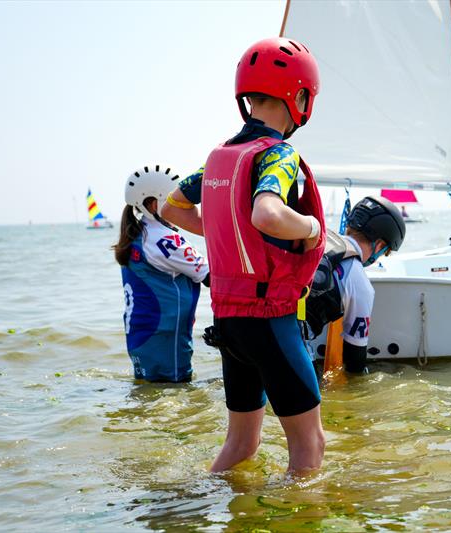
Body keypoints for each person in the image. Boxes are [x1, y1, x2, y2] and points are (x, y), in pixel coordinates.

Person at [160, 37, 326, 475]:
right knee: (310, 448)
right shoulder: (278, 154)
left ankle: (206, 507)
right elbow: (267, 214)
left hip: (229, 324)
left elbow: (169, 206)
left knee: (241, 444)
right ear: (301, 97)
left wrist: (219, 233)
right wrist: (312, 229)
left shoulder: (219, 159)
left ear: (245, 98)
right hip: (270, 320)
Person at [113, 165, 210, 382]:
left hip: (141, 334)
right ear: (155, 203)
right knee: (176, 392)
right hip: (164, 334)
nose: (181, 206)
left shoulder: (139, 235)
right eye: (174, 200)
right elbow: (211, 276)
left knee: (149, 392)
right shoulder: (165, 239)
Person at [305, 196, 406, 373]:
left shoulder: (321, 238)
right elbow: (355, 356)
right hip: (288, 338)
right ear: (379, 245)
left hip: (249, 325)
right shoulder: (359, 281)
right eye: (385, 252)